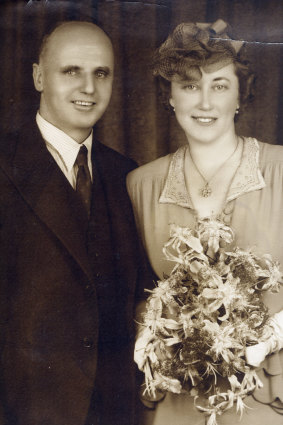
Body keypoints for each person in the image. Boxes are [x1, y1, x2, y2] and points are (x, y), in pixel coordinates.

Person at [127, 19, 283, 425]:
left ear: (240, 96)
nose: (205, 103)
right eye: (190, 86)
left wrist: (277, 330)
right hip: (180, 399)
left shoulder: (281, 169)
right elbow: (137, 288)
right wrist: (151, 328)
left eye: (219, 86)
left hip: (270, 396)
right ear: (171, 98)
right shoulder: (141, 185)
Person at [0, 20, 151, 425]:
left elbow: (141, 293)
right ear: (37, 76)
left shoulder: (127, 175)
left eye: (101, 73)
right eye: (72, 71)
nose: (89, 88)